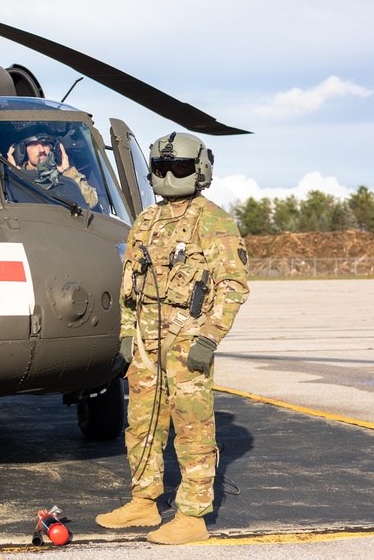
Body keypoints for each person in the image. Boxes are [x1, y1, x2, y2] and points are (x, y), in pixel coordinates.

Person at [96, 131, 249, 545]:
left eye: (179, 167)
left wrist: (209, 338)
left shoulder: (213, 220)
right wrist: (128, 334)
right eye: (161, 168)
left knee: (193, 426)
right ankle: (144, 501)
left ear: (199, 170)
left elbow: (232, 285)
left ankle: (192, 516)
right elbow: (129, 282)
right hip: (146, 344)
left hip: (187, 340)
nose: (169, 175)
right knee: (141, 424)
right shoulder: (147, 220)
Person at [5, 124, 98, 208]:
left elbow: (90, 202)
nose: (41, 150)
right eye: (34, 145)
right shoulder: (12, 177)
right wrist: (13, 173)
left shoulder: (63, 176)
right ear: (22, 151)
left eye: (45, 144)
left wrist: (68, 171)